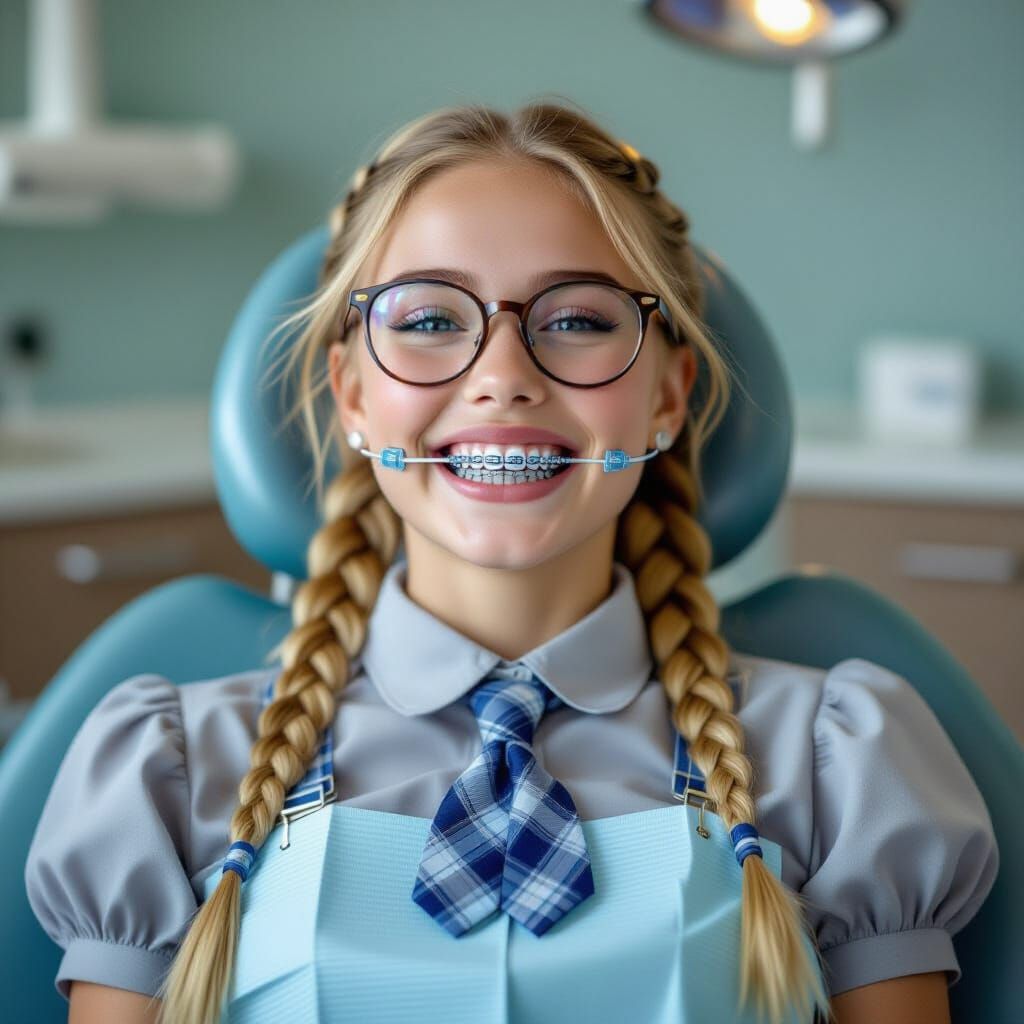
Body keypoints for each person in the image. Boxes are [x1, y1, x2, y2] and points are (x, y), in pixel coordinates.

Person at [25, 100, 998, 1024]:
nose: (501, 375)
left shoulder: (838, 764)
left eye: (575, 320)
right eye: (428, 320)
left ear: (667, 394)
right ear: (352, 393)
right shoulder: (170, 773)